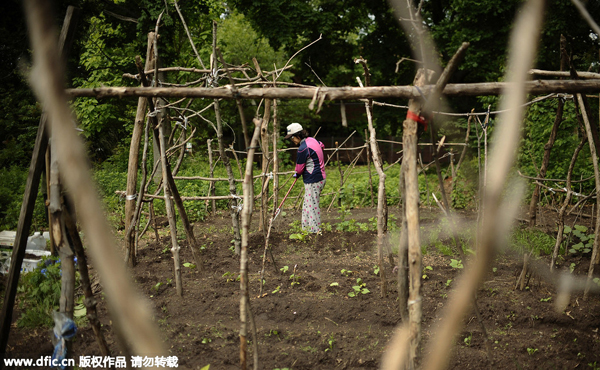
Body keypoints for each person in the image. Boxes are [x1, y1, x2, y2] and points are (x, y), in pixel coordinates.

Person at [284, 123, 326, 234]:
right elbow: (322, 145)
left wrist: (296, 174)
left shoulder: (303, 148)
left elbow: (299, 168)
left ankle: (315, 231)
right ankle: (306, 229)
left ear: (298, 135)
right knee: (308, 203)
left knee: (312, 205)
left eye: (292, 137)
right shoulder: (312, 140)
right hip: (319, 177)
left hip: (314, 179)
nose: (292, 140)